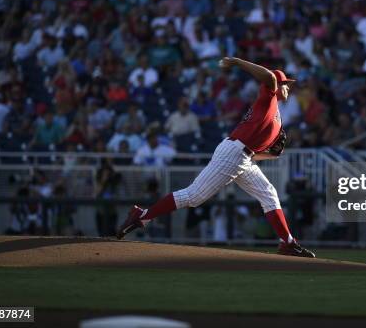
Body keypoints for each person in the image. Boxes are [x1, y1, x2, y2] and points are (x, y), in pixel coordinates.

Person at [117, 57, 315, 257]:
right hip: (234, 153)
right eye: (285, 84)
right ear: (276, 85)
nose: (288, 88)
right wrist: (238, 62)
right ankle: (143, 216)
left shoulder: (276, 116)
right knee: (193, 196)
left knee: (269, 194)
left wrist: (272, 154)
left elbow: (261, 154)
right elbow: (269, 76)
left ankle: (288, 242)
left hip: (244, 157)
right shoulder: (268, 97)